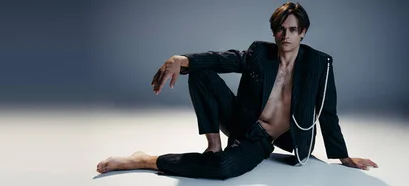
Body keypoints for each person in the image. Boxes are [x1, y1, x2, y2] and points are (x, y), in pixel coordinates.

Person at [96, 2, 378, 180]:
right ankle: (213, 144)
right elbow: (222, 58)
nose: (286, 36)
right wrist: (183, 60)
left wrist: (342, 156)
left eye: (293, 29)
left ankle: (145, 159)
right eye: (280, 30)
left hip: (265, 138)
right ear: (273, 32)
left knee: (222, 170)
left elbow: (327, 112)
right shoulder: (260, 53)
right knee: (200, 70)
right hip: (243, 122)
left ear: (303, 31)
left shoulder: (319, 63)